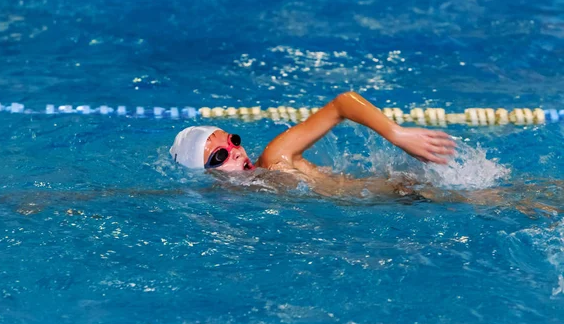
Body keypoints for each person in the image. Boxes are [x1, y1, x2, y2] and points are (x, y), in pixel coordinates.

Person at [170, 91, 457, 198]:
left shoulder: (274, 157)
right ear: (206, 174)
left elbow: (342, 104)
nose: (236, 151)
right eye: (221, 154)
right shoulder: (251, 194)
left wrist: (398, 134)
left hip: (407, 193)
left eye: (233, 140)